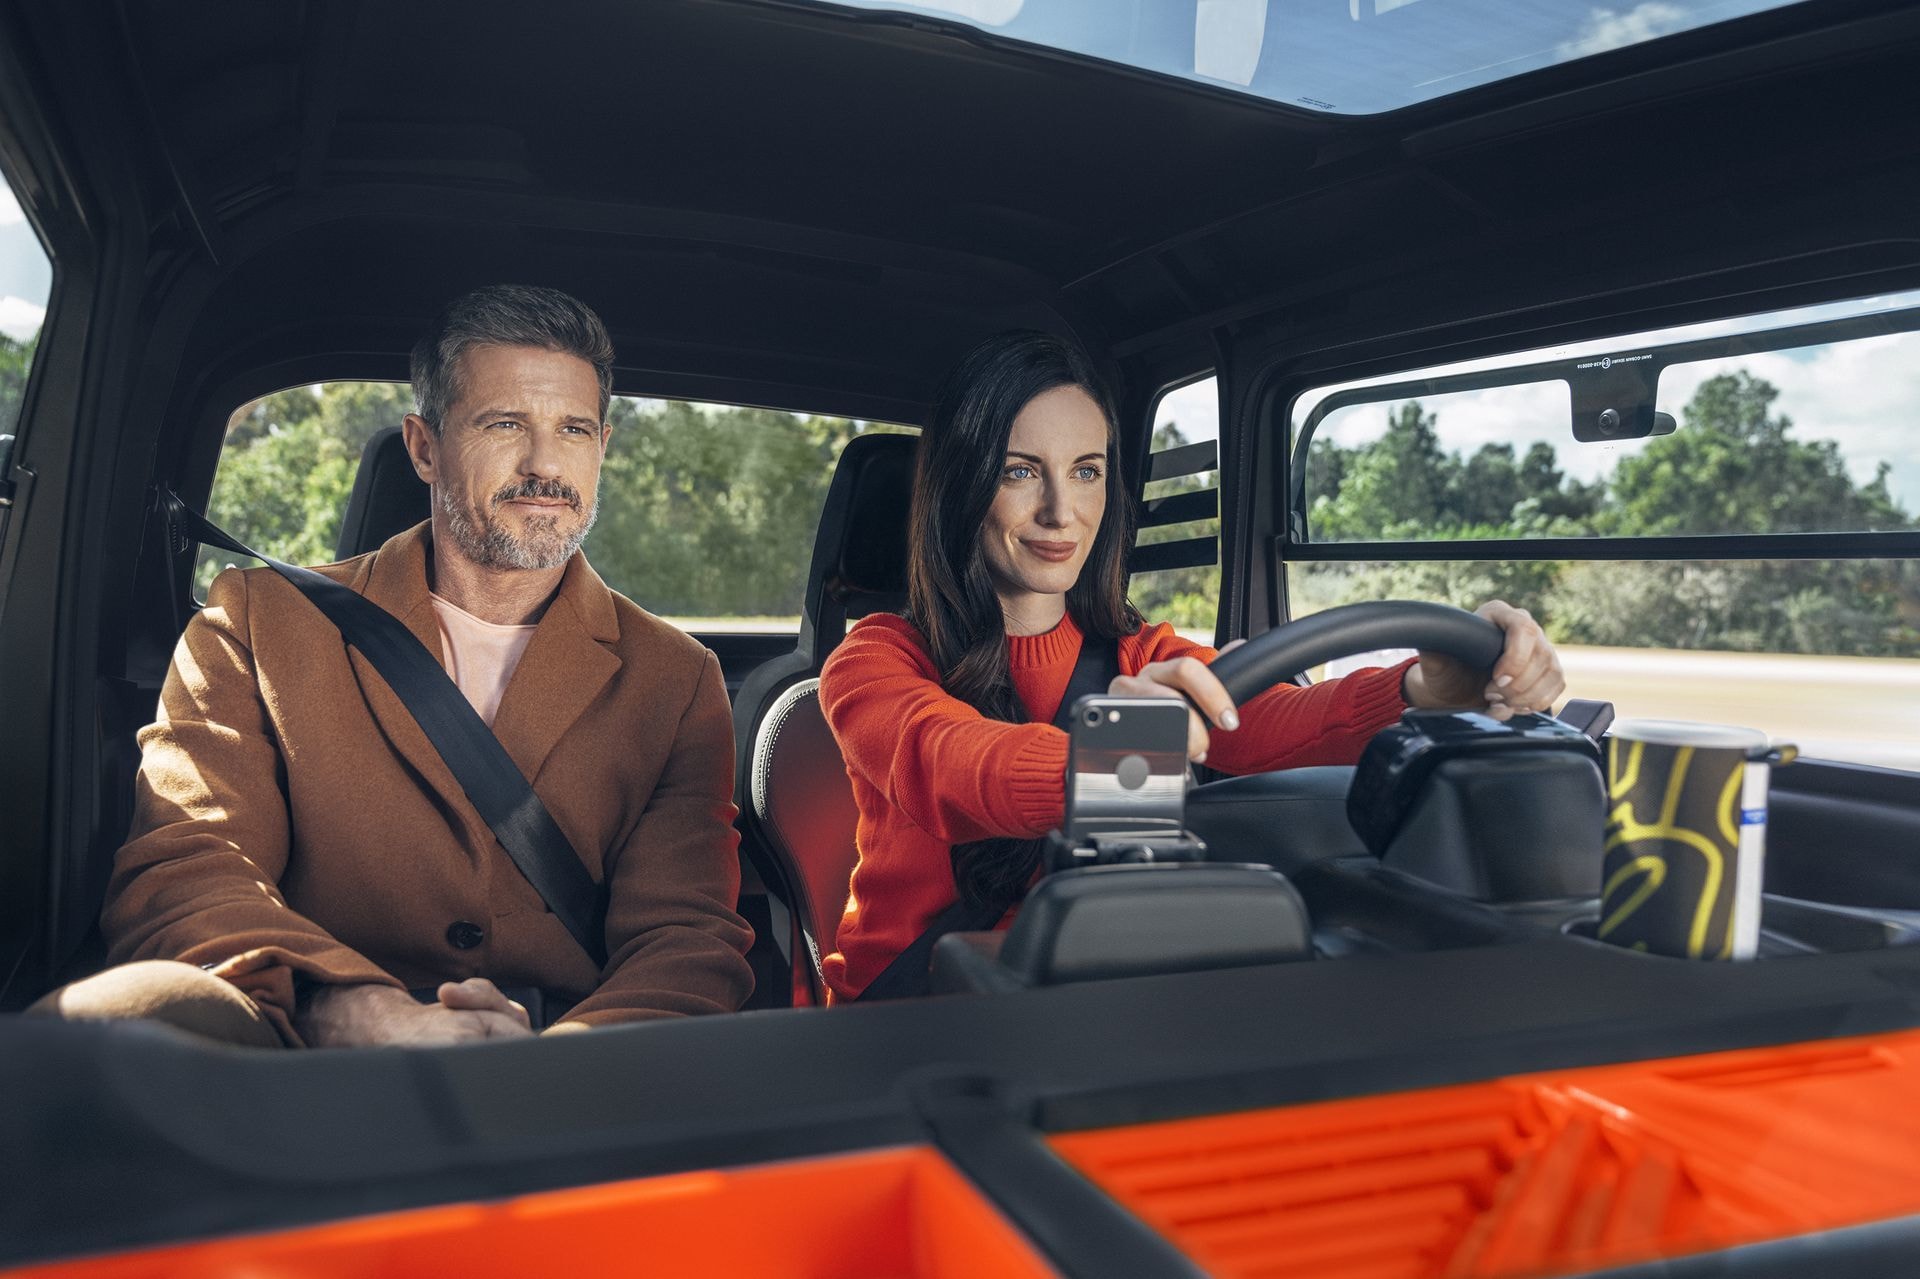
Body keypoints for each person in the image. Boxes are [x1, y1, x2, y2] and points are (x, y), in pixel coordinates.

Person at [31, 285, 753, 1046]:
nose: (545, 464)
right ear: (423, 446)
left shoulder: (674, 678)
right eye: (505, 423)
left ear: (602, 447)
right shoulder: (254, 621)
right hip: (301, 1038)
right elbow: (189, 869)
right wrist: (357, 1011)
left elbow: (684, 943)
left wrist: (547, 1073)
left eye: (573, 429)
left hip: (570, 1069)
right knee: (97, 1024)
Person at [818, 331, 1565, 1001]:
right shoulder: (875, 660)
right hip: (909, 1010)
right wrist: (1125, 751)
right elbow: (953, 766)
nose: (1061, 510)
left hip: (1082, 984)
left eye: (1086, 471)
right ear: (960, 487)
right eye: (1020, 471)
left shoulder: (1142, 650)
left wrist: (1421, 687)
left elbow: (1272, 719)